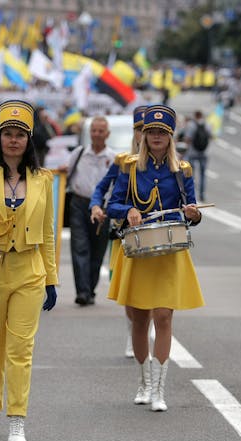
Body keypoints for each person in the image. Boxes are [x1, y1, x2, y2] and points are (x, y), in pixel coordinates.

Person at [0, 99, 58, 441]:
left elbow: (48, 234)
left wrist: (51, 279)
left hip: (29, 271)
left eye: (20, 134)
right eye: (7, 134)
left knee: (21, 348)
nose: (13, 140)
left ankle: (17, 418)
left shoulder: (43, 181)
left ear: (29, 139)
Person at [106, 105, 204, 412]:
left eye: (162, 132)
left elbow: (193, 212)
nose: (157, 137)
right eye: (152, 132)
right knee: (139, 320)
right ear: (144, 136)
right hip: (138, 252)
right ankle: (144, 381)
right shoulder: (131, 167)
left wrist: (193, 214)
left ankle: (160, 389)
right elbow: (114, 205)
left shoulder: (182, 170)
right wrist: (129, 210)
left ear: (170, 137)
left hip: (169, 253)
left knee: (163, 317)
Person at [89, 105, 148, 358]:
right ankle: (133, 332)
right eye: (140, 129)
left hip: (157, 236)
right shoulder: (123, 162)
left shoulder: (171, 165)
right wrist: (95, 206)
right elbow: (102, 188)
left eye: (150, 130)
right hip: (125, 236)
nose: (144, 135)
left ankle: (146, 329)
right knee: (130, 293)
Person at [63, 116, 116, 306]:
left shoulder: (114, 158)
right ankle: (83, 291)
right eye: (94, 130)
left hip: (103, 209)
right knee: (79, 248)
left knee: (97, 251)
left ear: (107, 134)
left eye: (101, 131)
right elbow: (66, 174)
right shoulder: (79, 153)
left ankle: (90, 289)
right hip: (79, 205)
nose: (97, 134)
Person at [184, 110, 211, 201]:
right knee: (203, 174)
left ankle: (193, 193)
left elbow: (188, 138)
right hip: (203, 153)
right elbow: (210, 136)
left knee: (191, 175)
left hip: (192, 153)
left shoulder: (191, 124)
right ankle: (202, 194)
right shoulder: (207, 125)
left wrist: (186, 150)